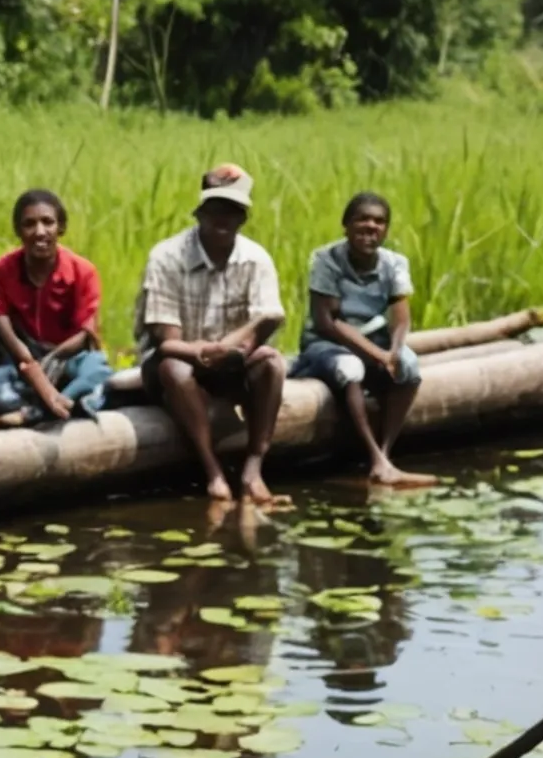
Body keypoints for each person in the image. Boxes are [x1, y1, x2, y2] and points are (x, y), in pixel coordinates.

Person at [137, 163, 288, 504]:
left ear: (243, 218)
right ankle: (213, 472)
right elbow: (166, 341)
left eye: (232, 210)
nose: (223, 217)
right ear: (200, 211)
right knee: (174, 368)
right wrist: (204, 353)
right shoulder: (166, 257)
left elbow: (263, 327)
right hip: (176, 359)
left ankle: (253, 469)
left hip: (232, 360)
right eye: (216, 208)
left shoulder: (256, 260)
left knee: (274, 364)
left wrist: (233, 351)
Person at [296, 191, 433, 488]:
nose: (371, 226)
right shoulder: (326, 259)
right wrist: (377, 355)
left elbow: (401, 316)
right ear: (346, 225)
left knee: (409, 366)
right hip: (327, 342)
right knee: (350, 369)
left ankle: (384, 453)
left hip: (373, 337)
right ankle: (375, 458)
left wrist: (394, 352)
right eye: (363, 219)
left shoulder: (394, 263)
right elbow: (327, 322)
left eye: (379, 221)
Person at [0, 189, 109, 424]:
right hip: (20, 360)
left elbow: (84, 334)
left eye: (47, 222)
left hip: (68, 356)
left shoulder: (83, 271)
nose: (40, 232)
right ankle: (58, 406)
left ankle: (44, 409)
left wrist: (56, 357)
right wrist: (35, 370)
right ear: (19, 231)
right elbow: (5, 332)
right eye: (30, 224)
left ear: (61, 228)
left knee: (98, 371)